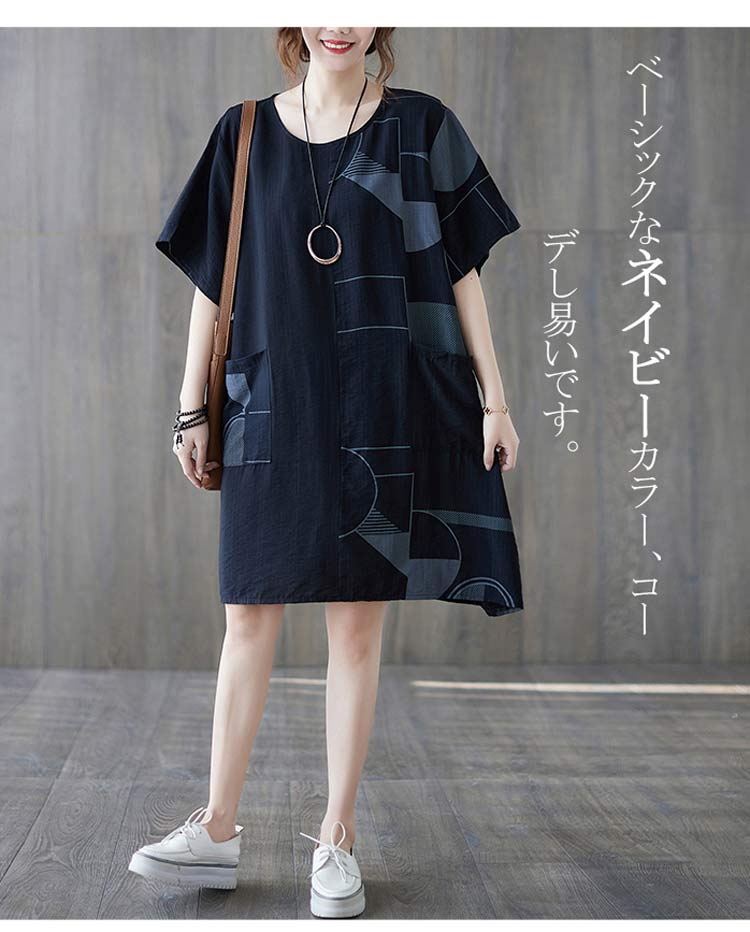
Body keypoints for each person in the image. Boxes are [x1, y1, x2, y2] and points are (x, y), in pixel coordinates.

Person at [129, 26, 524, 919]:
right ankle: (217, 827)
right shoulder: (243, 133)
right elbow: (211, 283)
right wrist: (192, 405)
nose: (338, 21)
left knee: (355, 626)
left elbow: (462, 271)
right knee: (246, 615)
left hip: (384, 400)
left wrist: (495, 400)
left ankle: (337, 839)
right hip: (274, 401)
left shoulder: (422, 126)